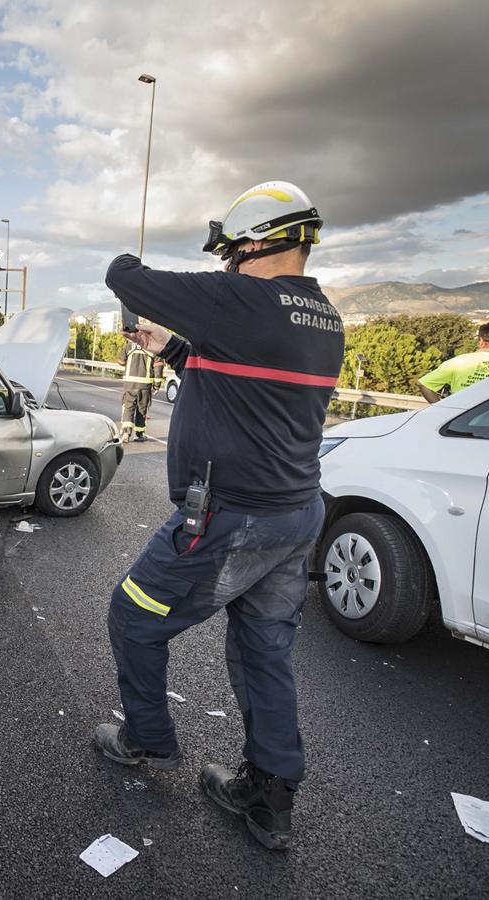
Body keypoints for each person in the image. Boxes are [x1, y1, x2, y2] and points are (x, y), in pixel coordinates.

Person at [94, 181, 343, 851]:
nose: (228, 264)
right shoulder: (324, 318)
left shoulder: (241, 298)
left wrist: (122, 257)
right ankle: (268, 797)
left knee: (133, 615)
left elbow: (125, 274)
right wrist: (173, 348)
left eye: (231, 252)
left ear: (256, 243)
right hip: (297, 515)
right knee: (264, 650)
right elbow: (246, 382)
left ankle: (145, 737)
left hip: (235, 520)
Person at [417, 321, 489, 403]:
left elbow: (424, 384)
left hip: (459, 420)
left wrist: (440, 409)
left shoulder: (458, 361)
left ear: (481, 341)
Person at [117, 336, 165, 443]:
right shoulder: (153, 348)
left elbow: (120, 362)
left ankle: (126, 432)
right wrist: (157, 385)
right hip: (145, 385)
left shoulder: (129, 346)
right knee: (142, 409)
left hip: (129, 384)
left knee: (128, 407)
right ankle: (139, 434)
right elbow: (158, 367)